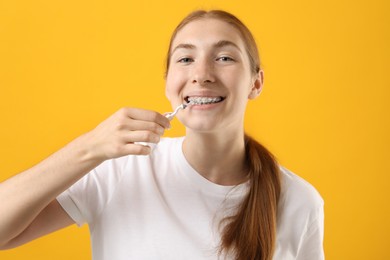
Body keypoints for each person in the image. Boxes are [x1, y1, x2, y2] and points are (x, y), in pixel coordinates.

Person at [0, 9, 324, 260]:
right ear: (168, 81)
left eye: (224, 57)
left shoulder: (299, 201)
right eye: (185, 59)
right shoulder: (121, 167)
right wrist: (88, 148)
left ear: (256, 82)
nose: (201, 75)